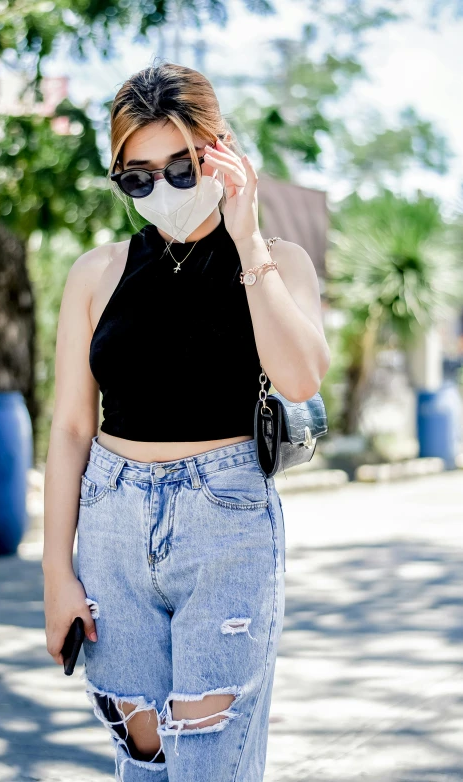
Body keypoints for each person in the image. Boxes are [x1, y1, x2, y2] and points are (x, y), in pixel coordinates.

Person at [42, 60, 330, 781]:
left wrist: (247, 237)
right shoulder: (97, 272)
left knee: (210, 762)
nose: (161, 190)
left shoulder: (277, 261)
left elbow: (299, 378)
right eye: (137, 177)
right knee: (142, 760)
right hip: (111, 522)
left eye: (181, 166)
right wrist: (56, 573)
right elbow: (72, 429)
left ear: (219, 148)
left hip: (226, 522)